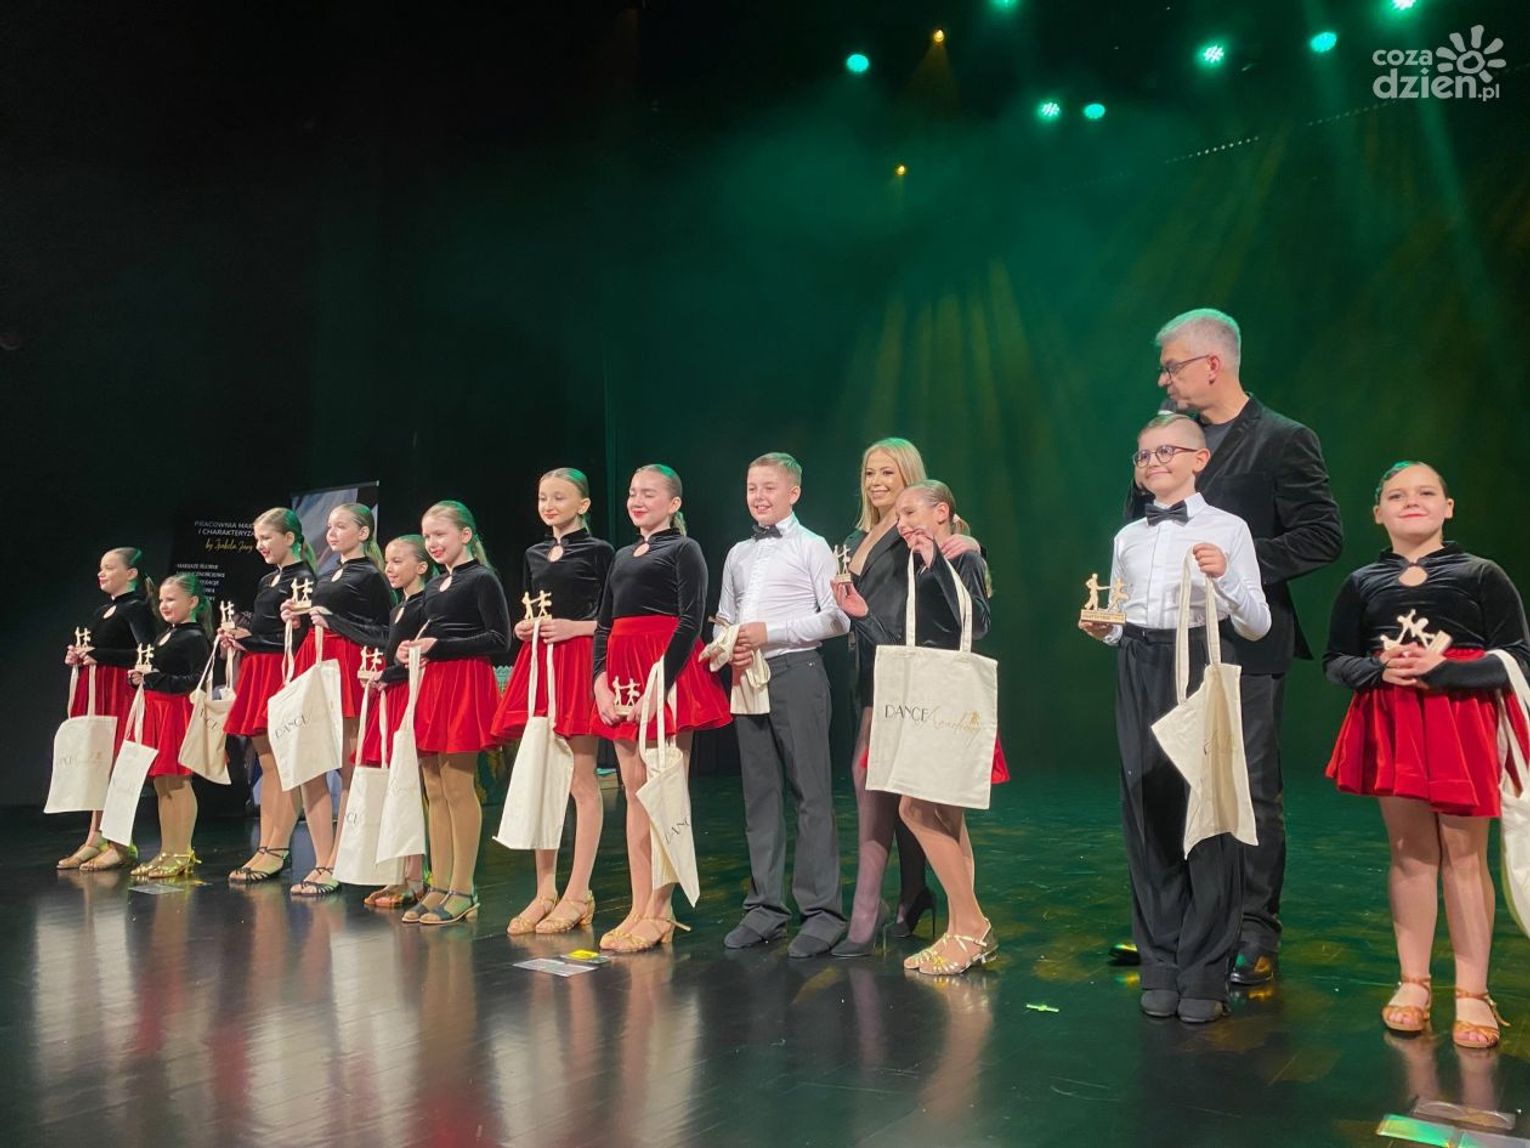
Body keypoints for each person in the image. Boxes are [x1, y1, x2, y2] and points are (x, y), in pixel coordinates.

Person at [1125, 309, 1343, 985]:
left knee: (1246, 787)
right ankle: (1183, 923)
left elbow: (1322, 535)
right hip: (1165, 642)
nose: (1163, 378)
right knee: (1172, 778)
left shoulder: (1282, 439)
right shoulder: (1165, 440)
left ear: (1212, 364)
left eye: (1172, 366)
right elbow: (1140, 525)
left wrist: (1237, 565)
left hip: (1245, 639)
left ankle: (1252, 927)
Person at [1324, 461, 1529, 1049]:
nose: (1411, 501)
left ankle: (1472, 991)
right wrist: (1377, 671)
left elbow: (1517, 657)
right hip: (1393, 720)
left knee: (1464, 856)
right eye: (1396, 495)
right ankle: (1413, 982)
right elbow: (1337, 660)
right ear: (1378, 513)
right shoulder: (1362, 582)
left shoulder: (1481, 574)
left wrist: (1446, 671)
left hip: (1460, 721)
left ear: (1448, 506)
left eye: (1425, 492)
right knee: (1410, 853)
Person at [1085, 413, 1271, 1023]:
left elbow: (1257, 623)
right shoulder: (1128, 538)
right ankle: (1160, 963)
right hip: (1140, 664)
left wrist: (1226, 578)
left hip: (1203, 660)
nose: (1153, 463)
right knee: (1148, 812)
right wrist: (1106, 631)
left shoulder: (1229, 529)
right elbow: (1122, 614)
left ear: (1199, 459)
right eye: (1143, 455)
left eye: (1166, 451)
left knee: (1208, 816)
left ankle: (1206, 972)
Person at [839, 481, 1006, 975]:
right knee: (948, 822)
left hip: (948, 700)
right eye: (898, 516)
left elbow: (976, 624)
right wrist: (862, 616)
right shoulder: (915, 564)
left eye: (911, 512)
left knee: (914, 808)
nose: (903, 522)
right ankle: (960, 930)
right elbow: (902, 642)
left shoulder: (961, 557)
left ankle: (973, 924)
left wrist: (940, 563)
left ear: (941, 512)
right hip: (919, 696)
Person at [714, 452, 849, 957]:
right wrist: (727, 644)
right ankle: (765, 909)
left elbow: (837, 619)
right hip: (748, 676)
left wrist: (768, 633)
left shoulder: (812, 546)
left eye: (769, 487)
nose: (758, 496)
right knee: (760, 796)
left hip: (797, 672)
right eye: (752, 487)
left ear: (794, 492)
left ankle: (822, 913)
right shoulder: (738, 554)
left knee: (810, 794)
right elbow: (724, 617)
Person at [592, 464, 731, 953]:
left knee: (663, 789)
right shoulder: (622, 555)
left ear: (673, 504)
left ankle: (662, 907)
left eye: (648, 493)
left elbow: (691, 619)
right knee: (633, 792)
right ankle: (638, 905)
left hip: (664, 670)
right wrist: (599, 681)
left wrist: (661, 684)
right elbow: (604, 624)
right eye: (633, 492)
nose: (637, 500)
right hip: (623, 672)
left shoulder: (684, 549)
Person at [493, 468, 613, 936]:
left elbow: (613, 615)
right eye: (543, 497)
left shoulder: (600, 551)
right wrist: (525, 628)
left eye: (559, 497)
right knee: (542, 775)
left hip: (578, 658)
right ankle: (545, 890)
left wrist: (574, 628)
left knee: (580, 779)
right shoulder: (534, 552)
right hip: (540, 661)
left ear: (583, 504)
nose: (549, 505)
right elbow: (532, 604)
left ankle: (578, 891)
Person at [401, 500, 509, 927]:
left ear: (465, 535)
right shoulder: (434, 586)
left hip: (465, 680)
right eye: (427, 536)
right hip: (434, 682)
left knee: (459, 786)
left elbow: (499, 638)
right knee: (434, 786)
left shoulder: (482, 578)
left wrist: (442, 647)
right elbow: (433, 634)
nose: (432, 543)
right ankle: (439, 884)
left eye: (439, 534)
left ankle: (463, 888)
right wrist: (412, 648)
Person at [284, 503, 395, 897]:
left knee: (350, 765)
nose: (331, 533)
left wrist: (333, 621)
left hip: (348, 665)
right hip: (315, 660)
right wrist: (299, 619)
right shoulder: (327, 573)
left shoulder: (372, 576)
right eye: (329, 526)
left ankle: (339, 860)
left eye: (341, 526)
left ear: (363, 532)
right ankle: (322, 858)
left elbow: (386, 633)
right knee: (310, 764)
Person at [223, 508, 317, 882]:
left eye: (266, 538)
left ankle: (278, 847)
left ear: (289, 538)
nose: (260, 545)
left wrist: (252, 639)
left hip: (282, 669)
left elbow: (298, 638)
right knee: (267, 762)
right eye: (257, 539)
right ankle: (265, 845)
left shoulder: (304, 579)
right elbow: (264, 630)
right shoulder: (267, 579)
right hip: (258, 669)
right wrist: (240, 638)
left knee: (282, 763)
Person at [58, 547, 158, 872]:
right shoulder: (103, 610)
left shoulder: (137, 609)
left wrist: (101, 654)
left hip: (120, 692)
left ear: (131, 573)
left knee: (116, 764)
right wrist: (80, 656)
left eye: (109, 568)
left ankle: (120, 842)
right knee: (99, 762)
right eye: (101, 568)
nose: (101, 573)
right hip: (98, 690)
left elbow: (146, 653)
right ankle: (96, 836)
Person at [354, 534, 437, 910]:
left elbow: (420, 659)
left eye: (398, 561)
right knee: (396, 785)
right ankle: (401, 872)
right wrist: (381, 677)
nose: (389, 568)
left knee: (412, 786)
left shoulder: (426, 605)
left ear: (421, 566)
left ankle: (417, 876)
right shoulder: (399, 607)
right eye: (387, 561)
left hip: (413, 697)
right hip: (392, 697)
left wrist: (388, 675)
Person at [128, 573, 214, 879]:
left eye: (172, 599)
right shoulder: (166, 634)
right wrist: (140, 678)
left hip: (177, 711)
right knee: (162, 784)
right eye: (162, 600)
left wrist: (157, 679)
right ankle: (167, 850)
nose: (164, 605)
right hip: (157, 711)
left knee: (178, 783)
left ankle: (182, 851)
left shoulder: (195, 638)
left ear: (192, 602)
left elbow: (197, 680)